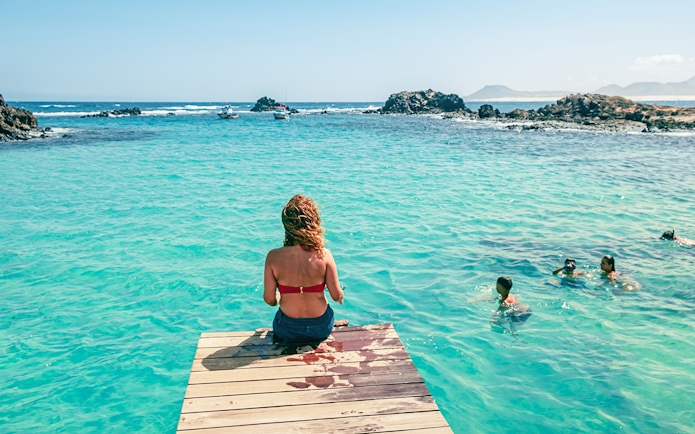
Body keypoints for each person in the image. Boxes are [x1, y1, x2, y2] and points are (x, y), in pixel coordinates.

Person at [263, 194, 344, 344]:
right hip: (320, 327)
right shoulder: (324, 255)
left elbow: (269, 299)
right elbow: (335, 295)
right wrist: (341, 295)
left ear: (286, 224)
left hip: (287, 329)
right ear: (314, 222)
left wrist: (279, 298)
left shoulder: (273, 257)